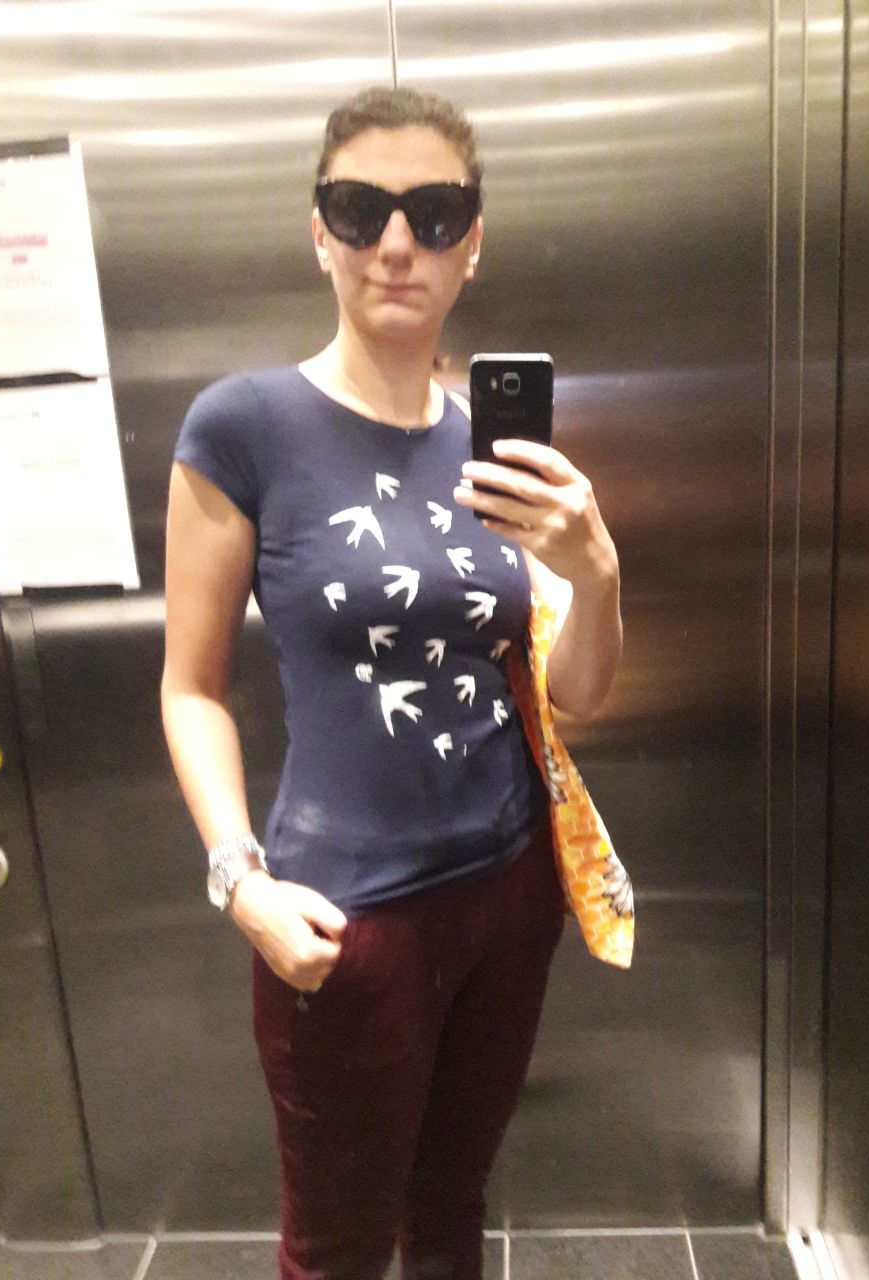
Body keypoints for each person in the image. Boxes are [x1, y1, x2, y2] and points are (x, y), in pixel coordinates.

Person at [161, 85, 622, 1280]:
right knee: (337, 1247)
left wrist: (598, 573)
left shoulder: (498, 447)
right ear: (319, 231)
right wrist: (240, 882)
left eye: (436, 211)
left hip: (512, 894)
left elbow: (576, 692)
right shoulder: (244, 425)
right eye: (362, 209)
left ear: (476, 243)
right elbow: (190, 687)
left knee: (453, 1205)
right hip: (344, 922)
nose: (398, 242)